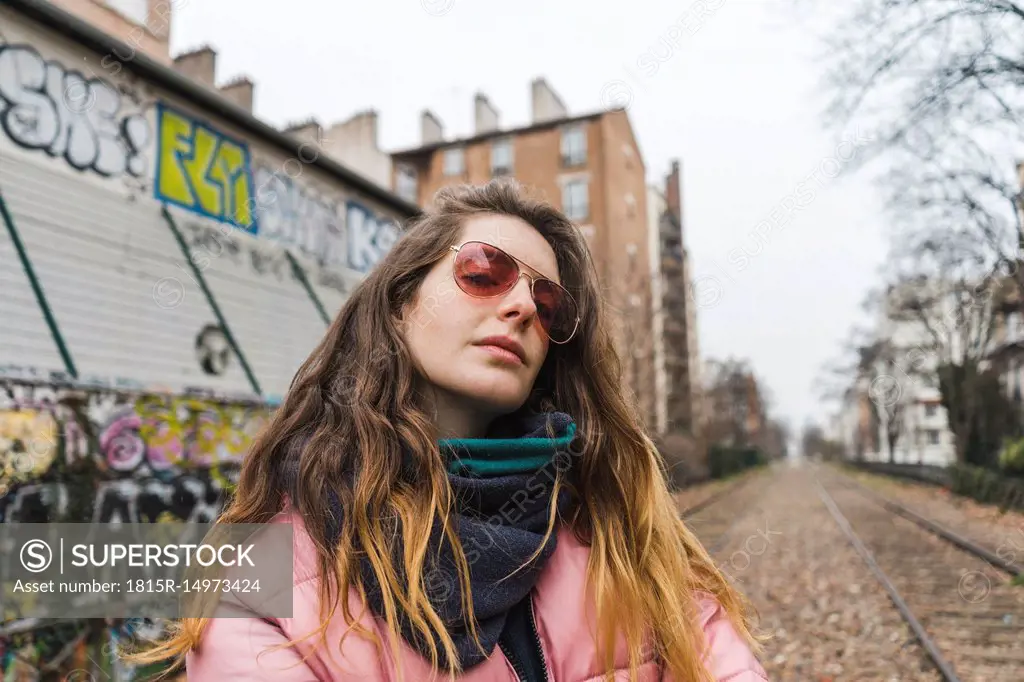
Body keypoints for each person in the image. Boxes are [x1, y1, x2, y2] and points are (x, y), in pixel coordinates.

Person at [133, 180, 769, 681]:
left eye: (547, 305)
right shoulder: (264, 578)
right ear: (402, 300)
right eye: (483, 271)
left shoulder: (618, 527)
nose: (520, 306)